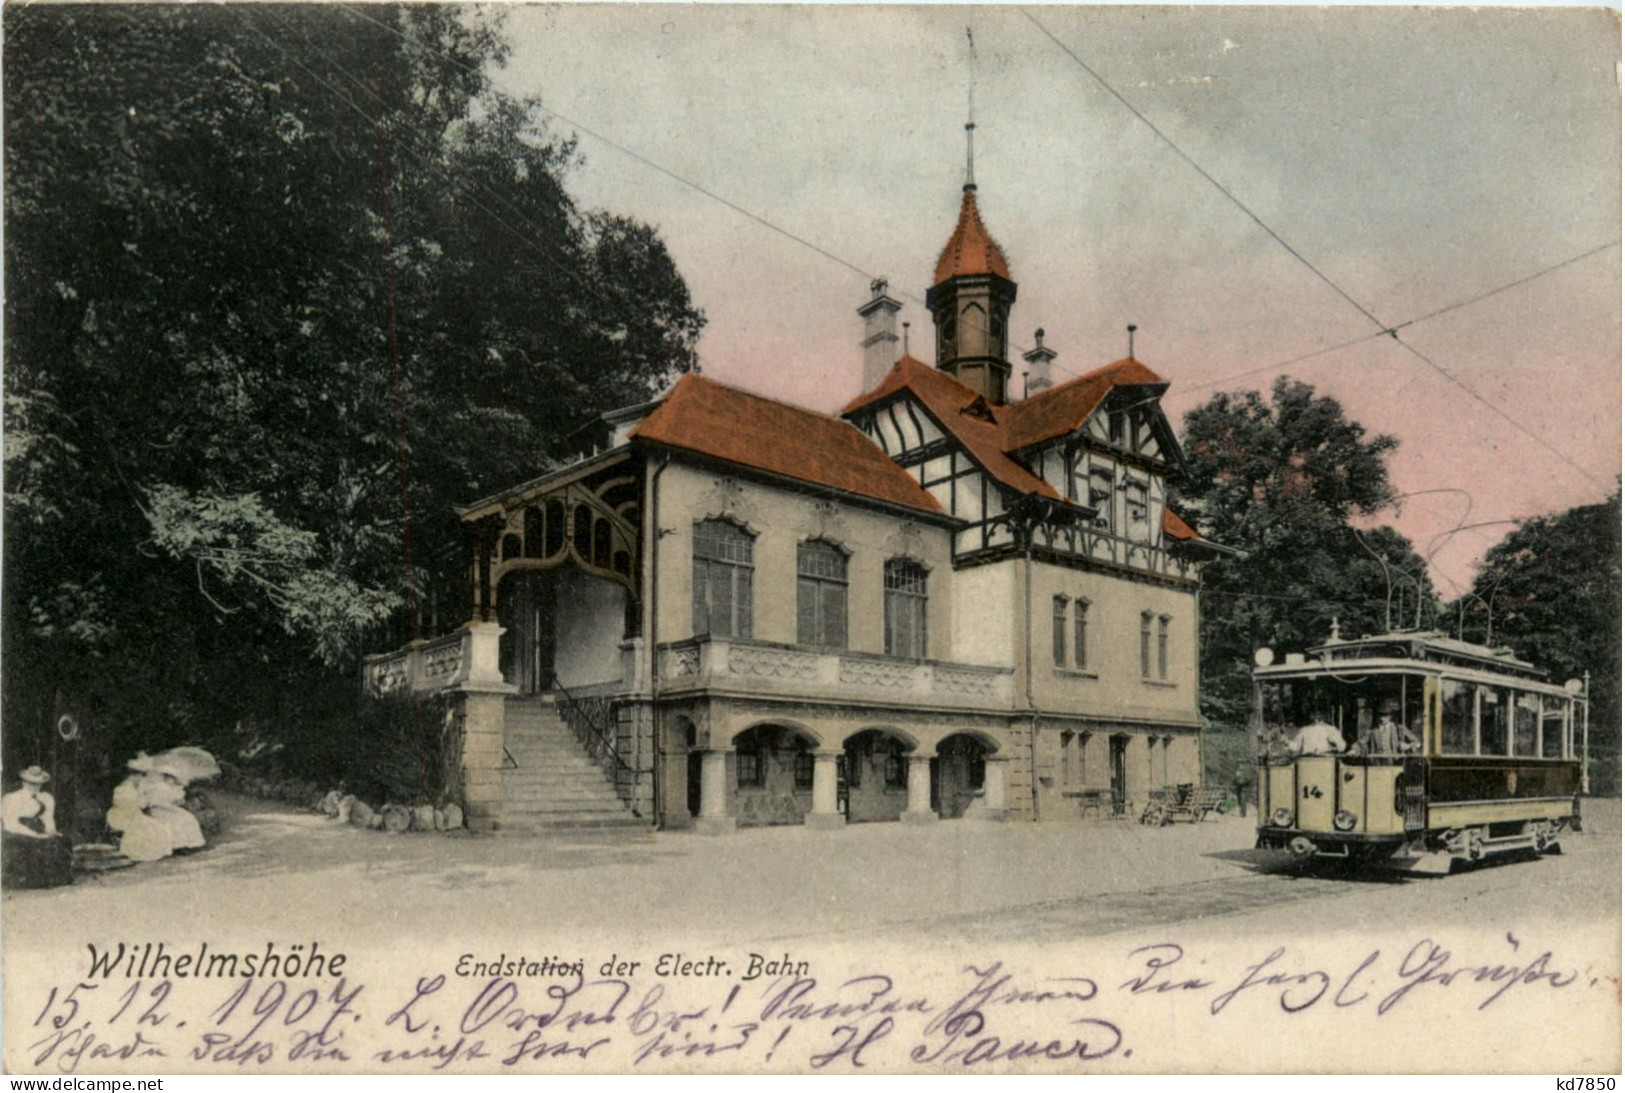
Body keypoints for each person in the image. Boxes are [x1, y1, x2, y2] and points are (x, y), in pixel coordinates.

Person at [2, 766, 74, 888]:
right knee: (34, 844)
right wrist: (36, 835)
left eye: (38, 784)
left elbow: (48, 818)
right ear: (24, 782)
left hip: (39, 830)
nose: (35, 787)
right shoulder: (13, 798)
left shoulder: (46, 797)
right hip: (17, 831)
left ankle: (55, 879)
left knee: (61, 841)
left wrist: (51, 831)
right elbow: (11, 823)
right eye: (31, 784)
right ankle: (30, 881)